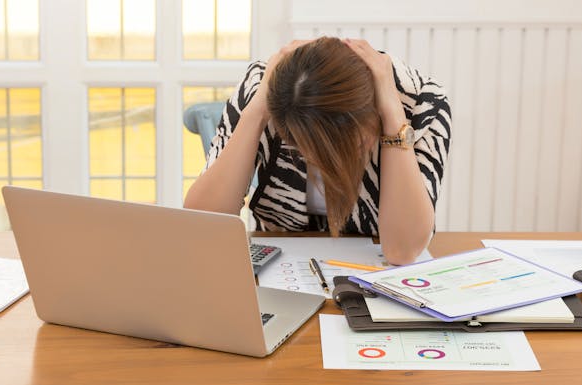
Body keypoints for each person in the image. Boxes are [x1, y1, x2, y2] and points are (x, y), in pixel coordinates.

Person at [184, 37, 451, 265]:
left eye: (352, 146)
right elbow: (204, 224)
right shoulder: (270, 92)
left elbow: (402, 251)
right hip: (281, 277)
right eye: (302, 147)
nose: (318, 161)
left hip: (374, 282)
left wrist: (394, 119)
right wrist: (256, 111)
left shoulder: (420, 103)